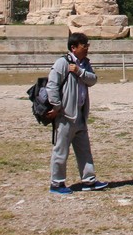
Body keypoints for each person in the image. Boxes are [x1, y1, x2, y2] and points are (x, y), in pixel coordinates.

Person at [46, 32, 111, 194]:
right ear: (74, 48)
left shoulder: (84, 64)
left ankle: (88, 180)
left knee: (84, 150)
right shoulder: (62, 63)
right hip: (65, 115)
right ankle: (57, 183)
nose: (87, 48)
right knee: (61, 150)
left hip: (80, 114)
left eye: (87, 45)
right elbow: (52, 86)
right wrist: (56, 106)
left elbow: (92, 80)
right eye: (84, 45)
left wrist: (80, 72)